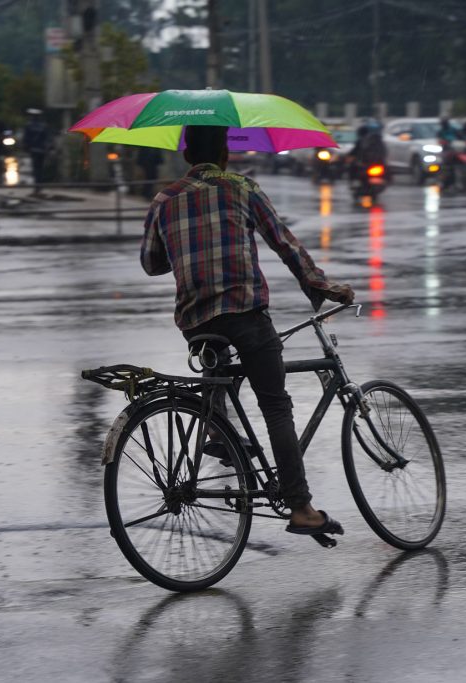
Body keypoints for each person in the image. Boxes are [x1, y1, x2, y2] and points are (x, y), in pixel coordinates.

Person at [140, 125, 354, 537]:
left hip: (197, 320)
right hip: (246, 313)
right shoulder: (242, 188)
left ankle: (216, 427)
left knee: (216, 367)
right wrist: (323, 286)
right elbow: (285, 245)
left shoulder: (165, 199)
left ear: (185, 154)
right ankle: (302, 508)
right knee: (276, 406)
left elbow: (152, 263)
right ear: (224, 152)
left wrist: (187, 250)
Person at [23, 109, 51, 194]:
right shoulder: (44, 126)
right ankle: (39, 185)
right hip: (42, 150)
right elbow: (48, 138)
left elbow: (26, 139)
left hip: (34, 150)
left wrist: (26, 147)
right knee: (40, 168)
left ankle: (37, 185)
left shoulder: (29, 126)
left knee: (36, 168)